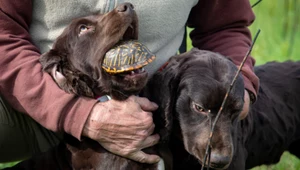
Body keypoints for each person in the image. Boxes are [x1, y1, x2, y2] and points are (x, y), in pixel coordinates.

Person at [0, 0, 259, 164]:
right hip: (29, 95)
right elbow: (3, 35)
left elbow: (225, 28)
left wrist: (240, 84)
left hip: (150, 110)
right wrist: (79, 113)